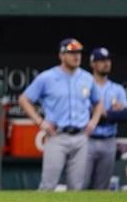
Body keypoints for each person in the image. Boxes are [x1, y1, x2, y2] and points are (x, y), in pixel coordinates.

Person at [19, 38, 103, 190]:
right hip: (57, 135)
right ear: (61, 55)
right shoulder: (47, 77)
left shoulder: (87, 78)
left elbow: (98, 102)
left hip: (81, 137)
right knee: (48, 185)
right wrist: (40, 122)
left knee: (76, 187)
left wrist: (93, 122)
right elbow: (24, 99)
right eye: (71, 53)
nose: (76, 56)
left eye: (78, 53)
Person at [84, 48, 127, 189]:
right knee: (80, 185)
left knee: (101, 188)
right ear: (93, 64)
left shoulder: (117, 89)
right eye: (101, 60)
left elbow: (125, 115)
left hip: (109, 140)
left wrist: (102, 114)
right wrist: (110, 113)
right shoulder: (84, 86)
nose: (106, 63)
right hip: (87, 140)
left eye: (108, 60)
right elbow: (82, 114)